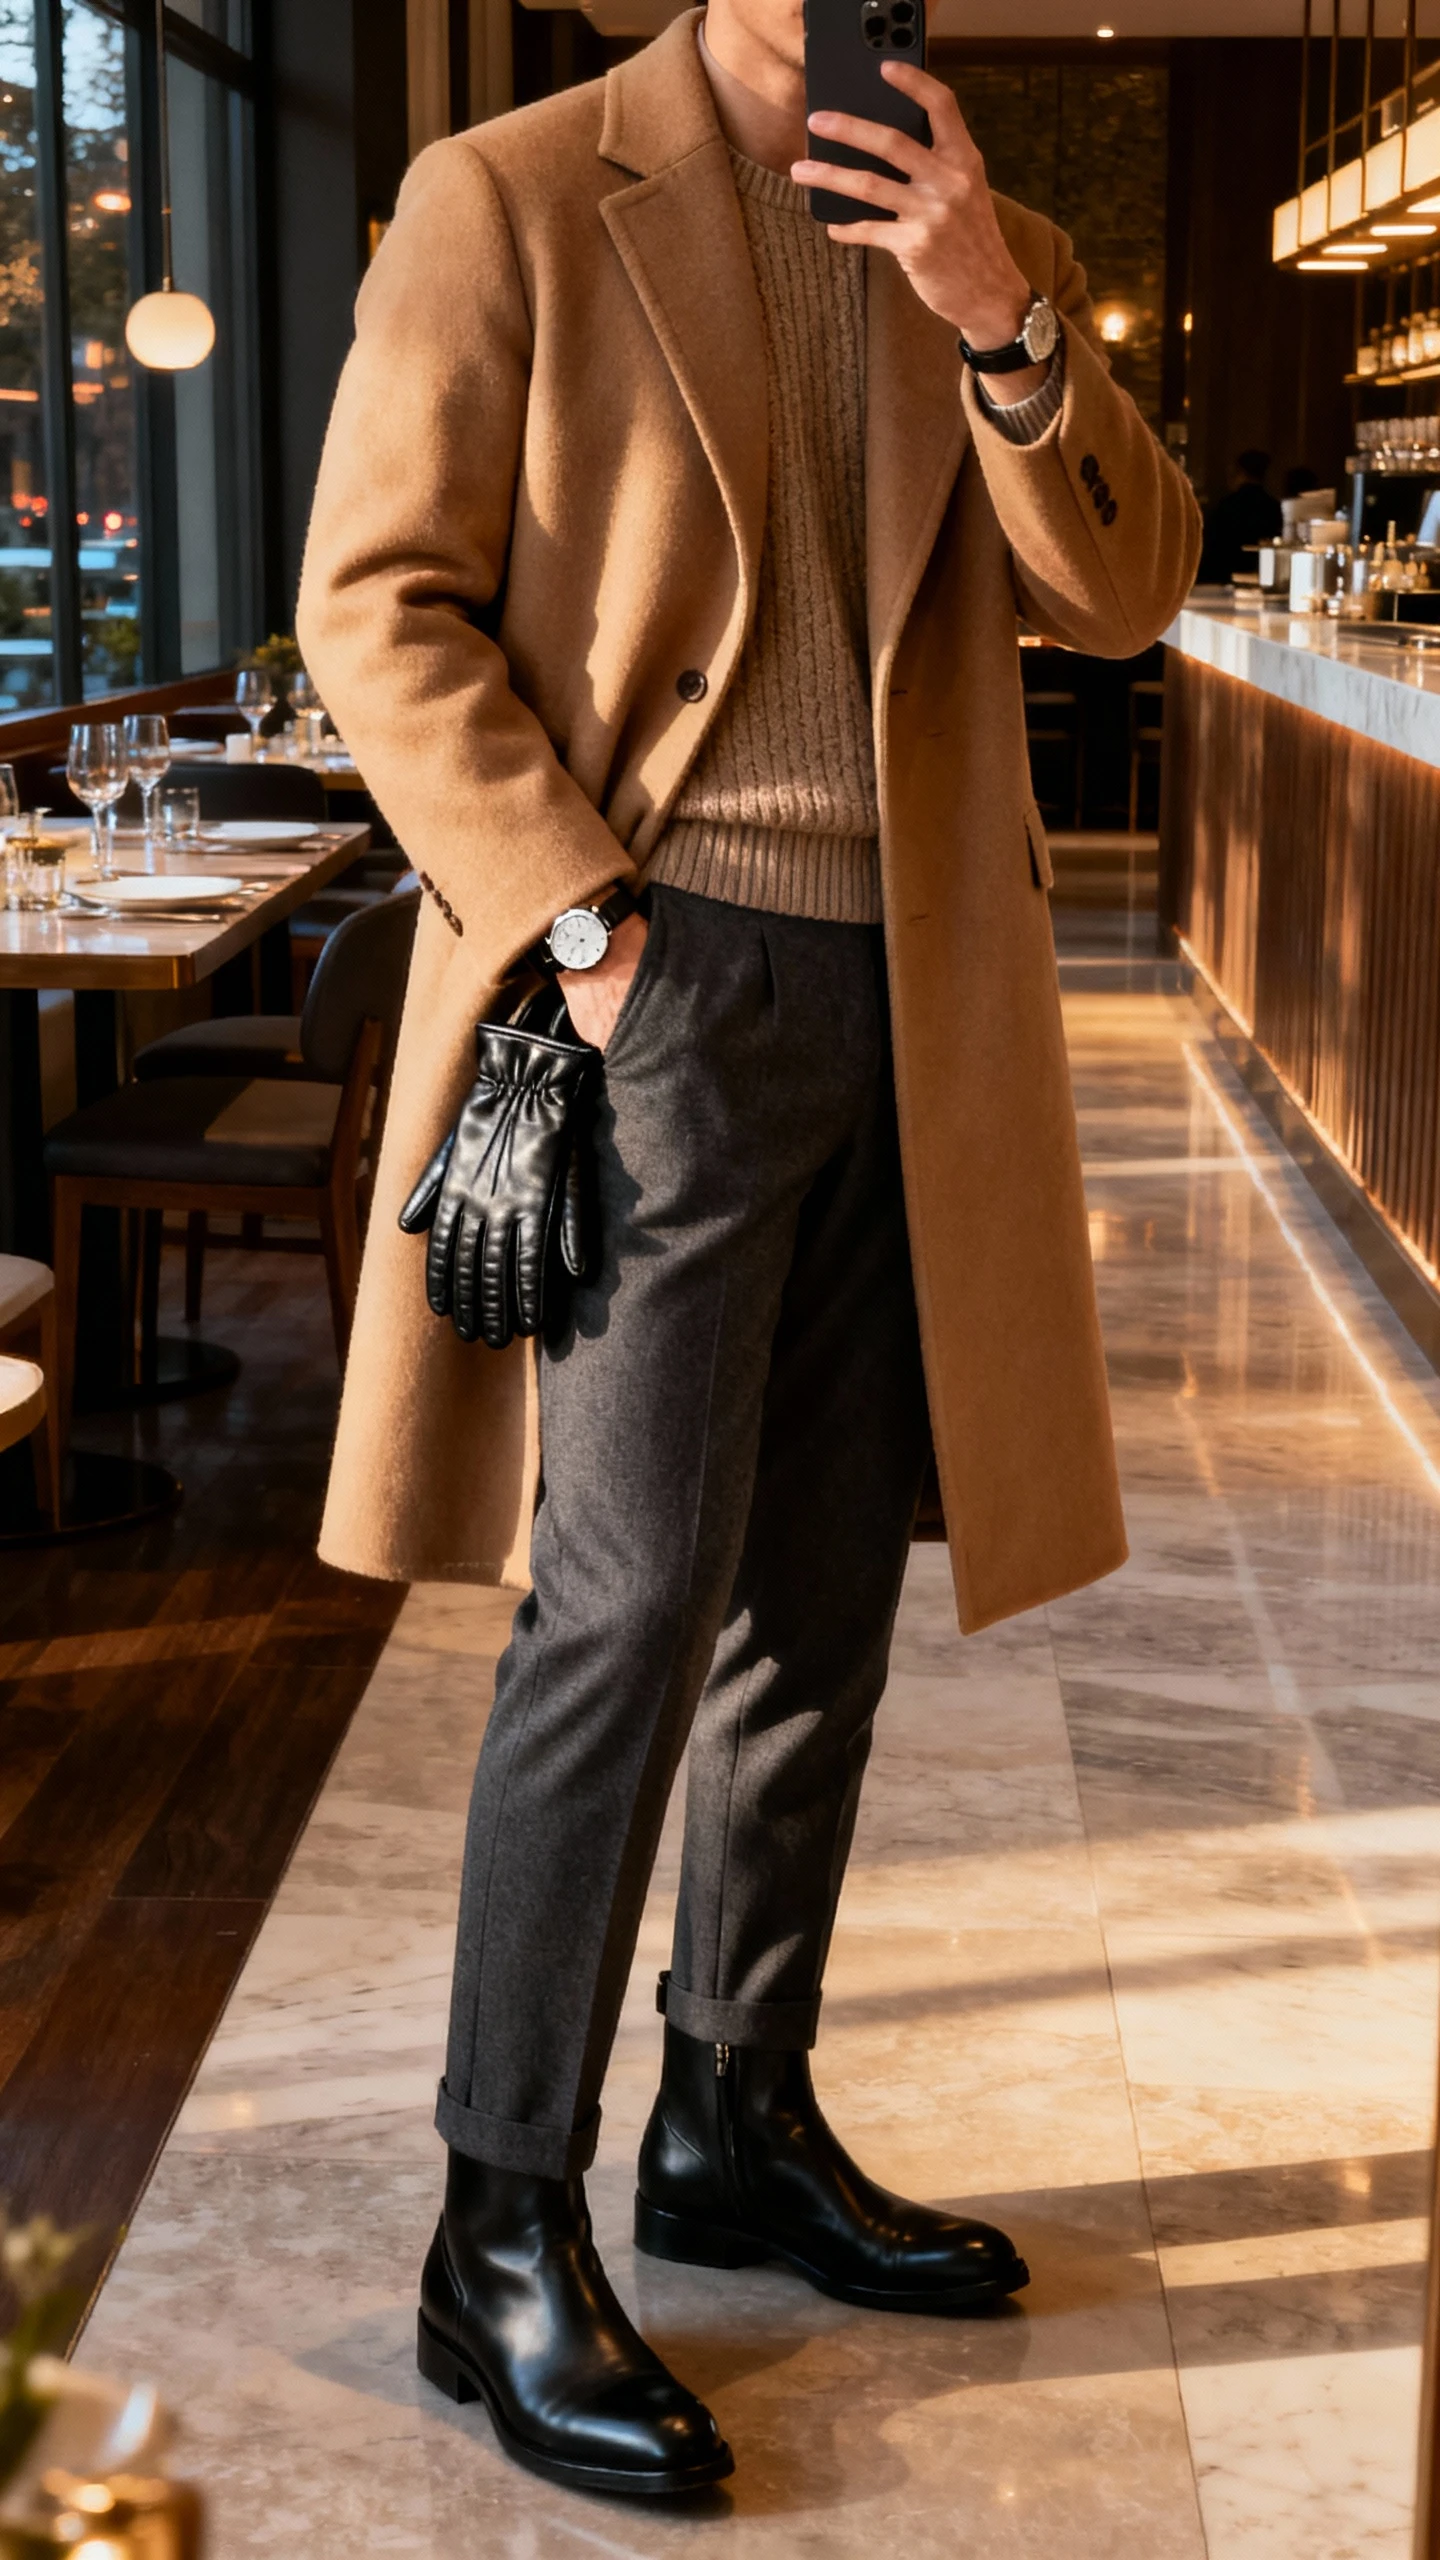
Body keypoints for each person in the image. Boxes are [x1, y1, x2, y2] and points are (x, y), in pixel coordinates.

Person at [298, 0, 1200, 2503]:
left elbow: (1123, 585)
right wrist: (592, 939)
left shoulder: (960, 212)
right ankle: (496, 2221)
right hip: (662, 986)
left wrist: (993, 313)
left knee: (818, 1581)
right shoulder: (512, 187)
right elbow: (374, 603)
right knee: (619, 1600)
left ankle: (730, 2110)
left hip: (919, 1003)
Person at [1198, 448, 1283, 586]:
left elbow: (1210, 544)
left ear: (1239, 472)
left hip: (1222, 575)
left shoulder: (1226, 505)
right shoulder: (1273, 507)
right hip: (1262, 575)